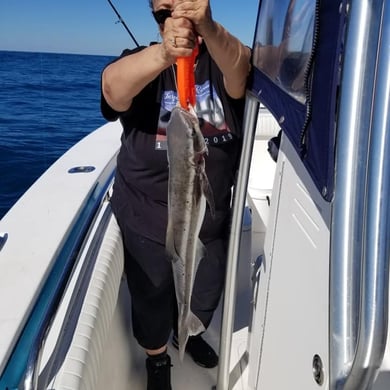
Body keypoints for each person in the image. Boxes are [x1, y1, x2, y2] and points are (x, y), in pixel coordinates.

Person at [100, 0, 251, 388]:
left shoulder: (222, 56)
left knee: (204, 291)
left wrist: (209, 28)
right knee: (150, 298)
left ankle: (191, 331)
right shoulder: (142, 61)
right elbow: (113, 90)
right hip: (146, 214)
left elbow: (241, 71)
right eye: (161, 8)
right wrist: (165, 54)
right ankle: (157, 358)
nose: (172, 11)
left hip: (208, 216)